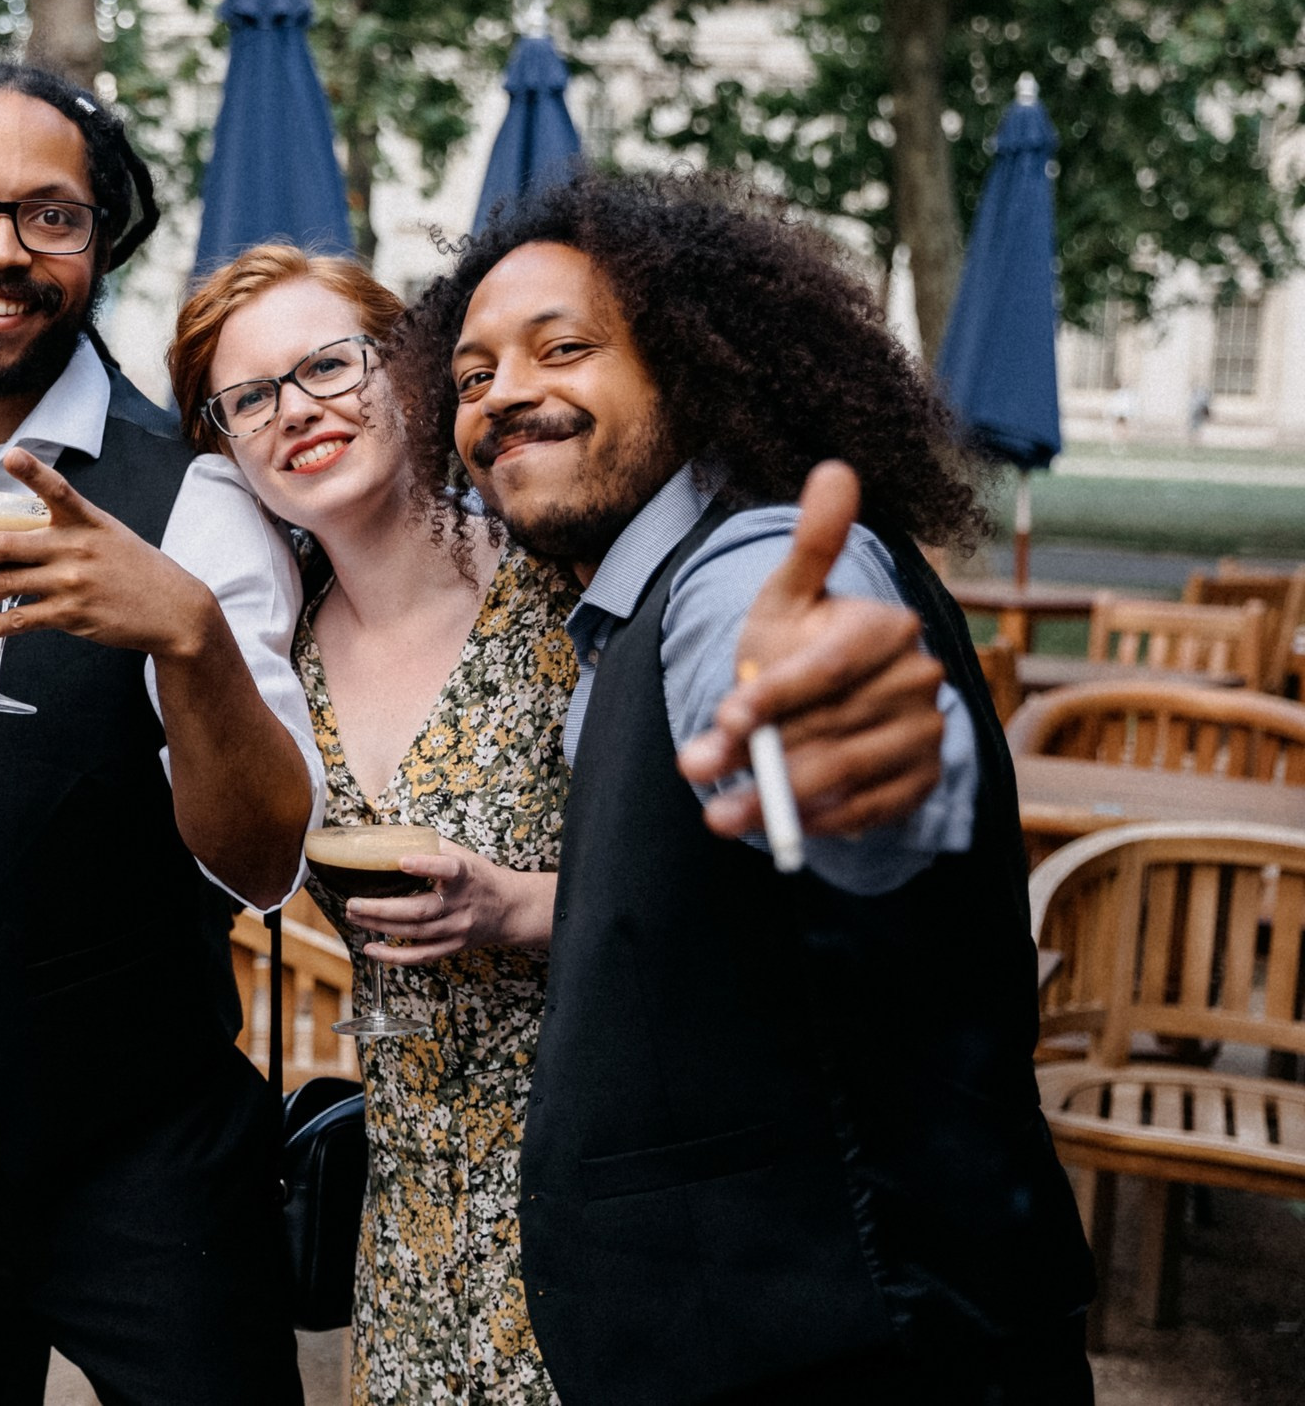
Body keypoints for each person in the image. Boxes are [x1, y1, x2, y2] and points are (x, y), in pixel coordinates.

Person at [399, 169, 1095, 1404]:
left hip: (866, 1346)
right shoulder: (616, 606)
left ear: (690, 362)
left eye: (564, 348)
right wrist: (521, 905)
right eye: (469, 376)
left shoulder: (751, 562)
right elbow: (711, 908)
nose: (502, 393)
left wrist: (834, 757)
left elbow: (827, 768)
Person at [0, 63, 323, 1405]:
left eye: (51, 217)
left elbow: (267, 859)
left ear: (101, 243)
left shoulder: (193, 497)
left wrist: (192, 637)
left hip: (138, 1132)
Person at [167, 245, 571, 1406]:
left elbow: (723, 882)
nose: (296, 411)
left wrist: (521, 905)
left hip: (601, 1192)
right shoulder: (275, 669)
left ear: (409, 369)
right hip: (409, 1224)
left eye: (328, 366)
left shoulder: (560, 585)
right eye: (250, 399)